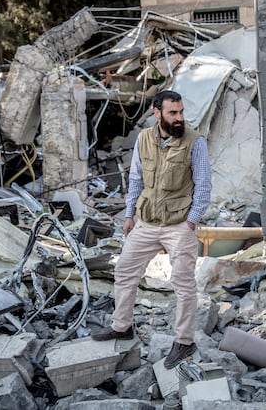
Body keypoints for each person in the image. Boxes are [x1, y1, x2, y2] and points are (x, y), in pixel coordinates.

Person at [92, 90, 212, 369]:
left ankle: (184, 341)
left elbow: (204, 185)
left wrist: (191, 221)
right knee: (124, 271)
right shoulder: (144, 139)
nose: (179, 118)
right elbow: (135, 179)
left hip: (179, 224)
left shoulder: (195, 142)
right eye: (173, 113)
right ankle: (122, 326)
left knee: (183, 285)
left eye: (181, 112)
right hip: (146, 221)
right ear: (157, 113)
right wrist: (129, 215)